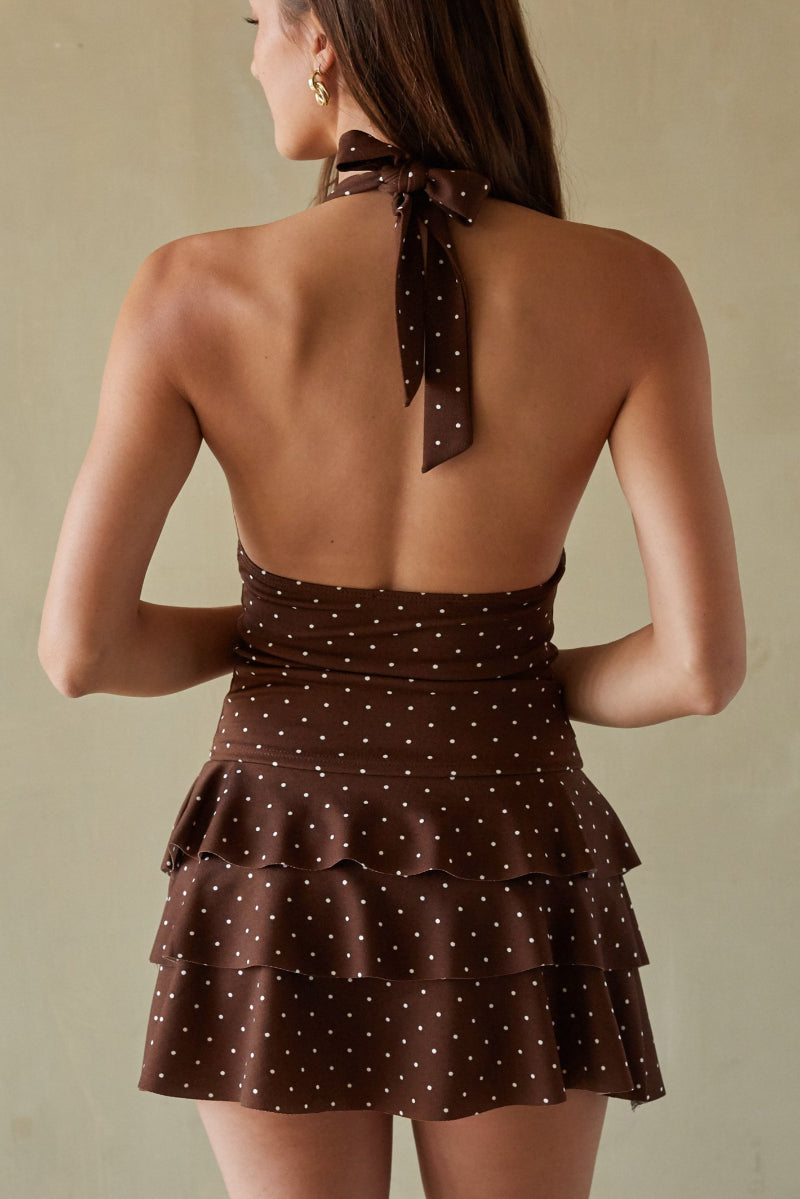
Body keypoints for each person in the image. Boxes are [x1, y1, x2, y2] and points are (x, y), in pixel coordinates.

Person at [37, 0, 746, 1196]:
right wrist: (489, 663)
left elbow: (82, 649)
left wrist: (289, 636)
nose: (250, 46)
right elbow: (696, 666)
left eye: (259, 17)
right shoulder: (629, 287)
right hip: (508, 841)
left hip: (277, 843)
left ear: (324, 36)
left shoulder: (188, 288)